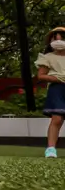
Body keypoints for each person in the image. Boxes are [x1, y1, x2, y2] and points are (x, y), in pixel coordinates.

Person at [38, 27, 65, 159]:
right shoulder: (47, 57)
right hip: (57, 89)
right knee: (57, 118)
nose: (59, 40)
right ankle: (50, 149)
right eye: (55, 38)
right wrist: (57, 78)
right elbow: (41, 76)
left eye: (62, 37)